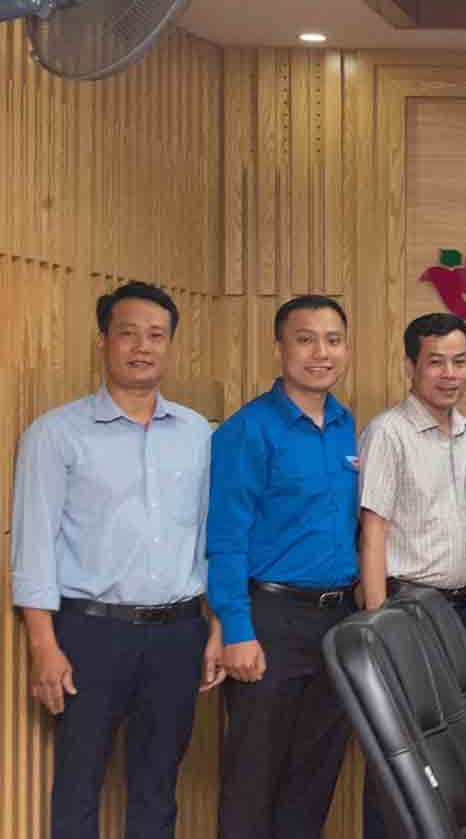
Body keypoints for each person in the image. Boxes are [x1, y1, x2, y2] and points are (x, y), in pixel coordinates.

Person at [10, 282, 222, 839]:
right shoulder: (56, 433)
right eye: (127, 333)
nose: (142, 346)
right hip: (89, 634)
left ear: (170, 345)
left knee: (158, 789)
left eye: (156, 335)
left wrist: (217, 627)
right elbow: (31, 547)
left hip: (178, 633)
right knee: (78, 786)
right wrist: (43, 646)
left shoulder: (199, 434)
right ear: (104, 340)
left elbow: (213, 540)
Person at [207, 294, 359, 839]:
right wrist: (237, 630)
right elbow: (225, 539)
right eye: (305, 339)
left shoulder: (347, 426)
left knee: (313, 777)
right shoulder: (248, 430)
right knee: (254, 777)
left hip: (336, 622)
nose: (321, 353)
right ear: (279, 348)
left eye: (333, 340)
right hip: (269, 618)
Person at [358, 313, 466, 621]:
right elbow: (372, 532)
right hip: (409, 607)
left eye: (460, 362)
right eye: (436, 362)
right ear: (410, 367)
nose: (450, 374)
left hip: (462, 605)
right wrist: (378, 624)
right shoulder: (388, 432)